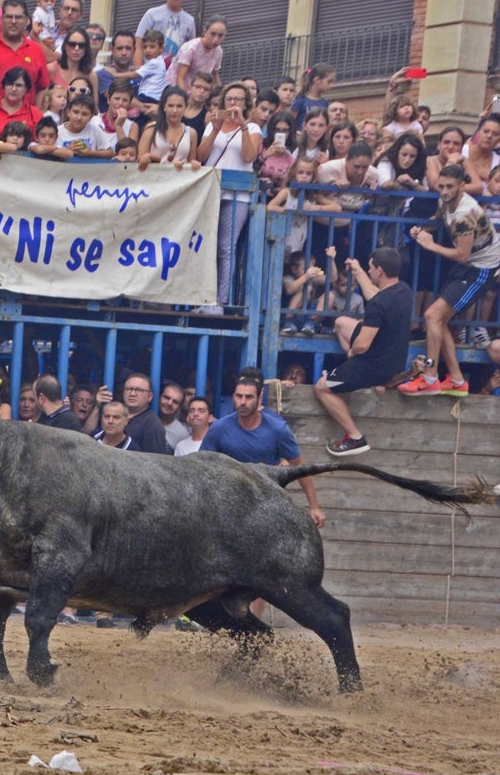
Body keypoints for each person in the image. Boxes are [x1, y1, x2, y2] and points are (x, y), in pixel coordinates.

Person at [399, 163, 500, 397]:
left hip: (480, 268)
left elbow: (462, 256)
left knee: (432, 316)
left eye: (449, 187)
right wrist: (422, 230)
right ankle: (456, 379)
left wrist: (430, 244)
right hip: (469, 265)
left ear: (461, 186)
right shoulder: (445, 199)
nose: (444, 191)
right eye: (441, 186)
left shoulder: (464, 215)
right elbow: (438, 214)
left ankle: (430, 377)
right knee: (438, 319)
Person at [316, 247, 414, 456]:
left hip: (374, 366)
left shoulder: (378, 304)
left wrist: (352, 352)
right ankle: (347, 378)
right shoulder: (403, 291)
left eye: (370, 268)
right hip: (395, 358)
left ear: (379, 270)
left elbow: (362, 345)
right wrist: (358, 271)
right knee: (342, 323)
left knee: (322, 387)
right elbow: (378, 296)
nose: (369, 271)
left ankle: (354, 437)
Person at [201, 372, 325, 529]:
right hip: (229, 505)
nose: (243, 402)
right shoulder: (219, 428)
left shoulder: (278, 429)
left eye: (249, 397)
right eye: (239, 396)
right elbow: (201, 465)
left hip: (267, 505)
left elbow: (300, 466)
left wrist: (314, 506)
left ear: (259, 399)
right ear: (233, 397)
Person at [199, 81, 262, 310]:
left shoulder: (253, 129)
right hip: (212, 192)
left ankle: (220, 299)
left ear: (246, 104)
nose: (233, 103)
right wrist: (215, 128)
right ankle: (201, 296)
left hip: (238, 195)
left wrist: (243, 125)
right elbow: (202, 155)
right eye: (230, 99)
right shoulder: (211, 126)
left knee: (227, 247)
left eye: (238, 99)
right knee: (205, 245)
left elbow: (248, 157)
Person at [136, 0, 195, 67]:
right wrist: (138, 74)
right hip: (151, 72)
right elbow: (138, 46)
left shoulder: (190, 21)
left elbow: (190, 52)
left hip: (175, 75)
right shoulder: (152, 14)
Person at [166, 15, 225, 90]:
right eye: (213, 34)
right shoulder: (190, 48)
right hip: (175, 88)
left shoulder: (218, 51)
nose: (216, 39)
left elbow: (215, 74)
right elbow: (180, 78)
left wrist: (220, 94)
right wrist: (183, 98)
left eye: (220, 35)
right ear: (205, 32)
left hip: (199, 90)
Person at [120, 373, 169, 454]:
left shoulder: (152, 425)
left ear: (149, 396)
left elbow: (156, 460)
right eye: (129, 389)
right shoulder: (116, 416)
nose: (132, 394)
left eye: (138, 390)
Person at [158, 382, 189, 450]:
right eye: (166, 398)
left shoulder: (182, 433)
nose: (169, 403)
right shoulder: (145, 421)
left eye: (175, 402)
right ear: (159, 397)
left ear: (179, 407)